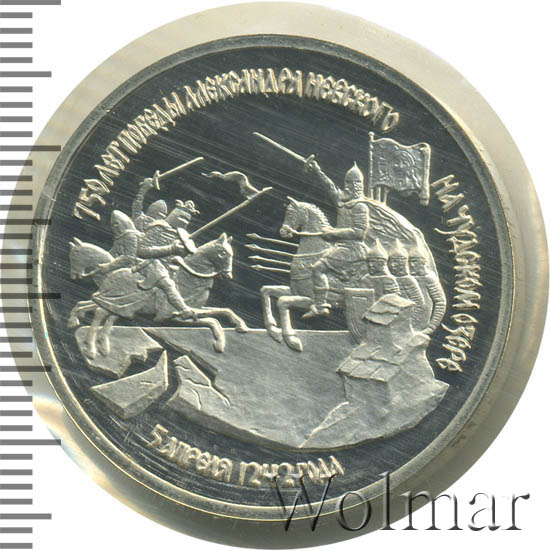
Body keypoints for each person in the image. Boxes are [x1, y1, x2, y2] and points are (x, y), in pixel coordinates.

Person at [303, 161, 370, 319]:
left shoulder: (360, 206)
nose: (346, 186)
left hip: (353, 249)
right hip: (341, 246)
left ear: (357, 186)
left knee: (318, 268)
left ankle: (320, 306)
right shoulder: (343, 202)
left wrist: (333, 232)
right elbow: (330, 187)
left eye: (350, 183)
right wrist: (318, 171)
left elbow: (359, 232)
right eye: (346, 183)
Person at [387, 239, 425, 329]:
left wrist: (410, 324)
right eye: (390, 261)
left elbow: (419, 305)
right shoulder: (387, 279)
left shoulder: (408, 280)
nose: (392, 265)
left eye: (395, 261)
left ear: (402, 263)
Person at [408, 246, 446, 334]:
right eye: (410, 262)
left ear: (423, 262)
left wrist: (431, 327)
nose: (411, 265)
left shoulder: (429, 279)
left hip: (421, 325)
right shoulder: (406, 278)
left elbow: (440, 303)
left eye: (415, 261)